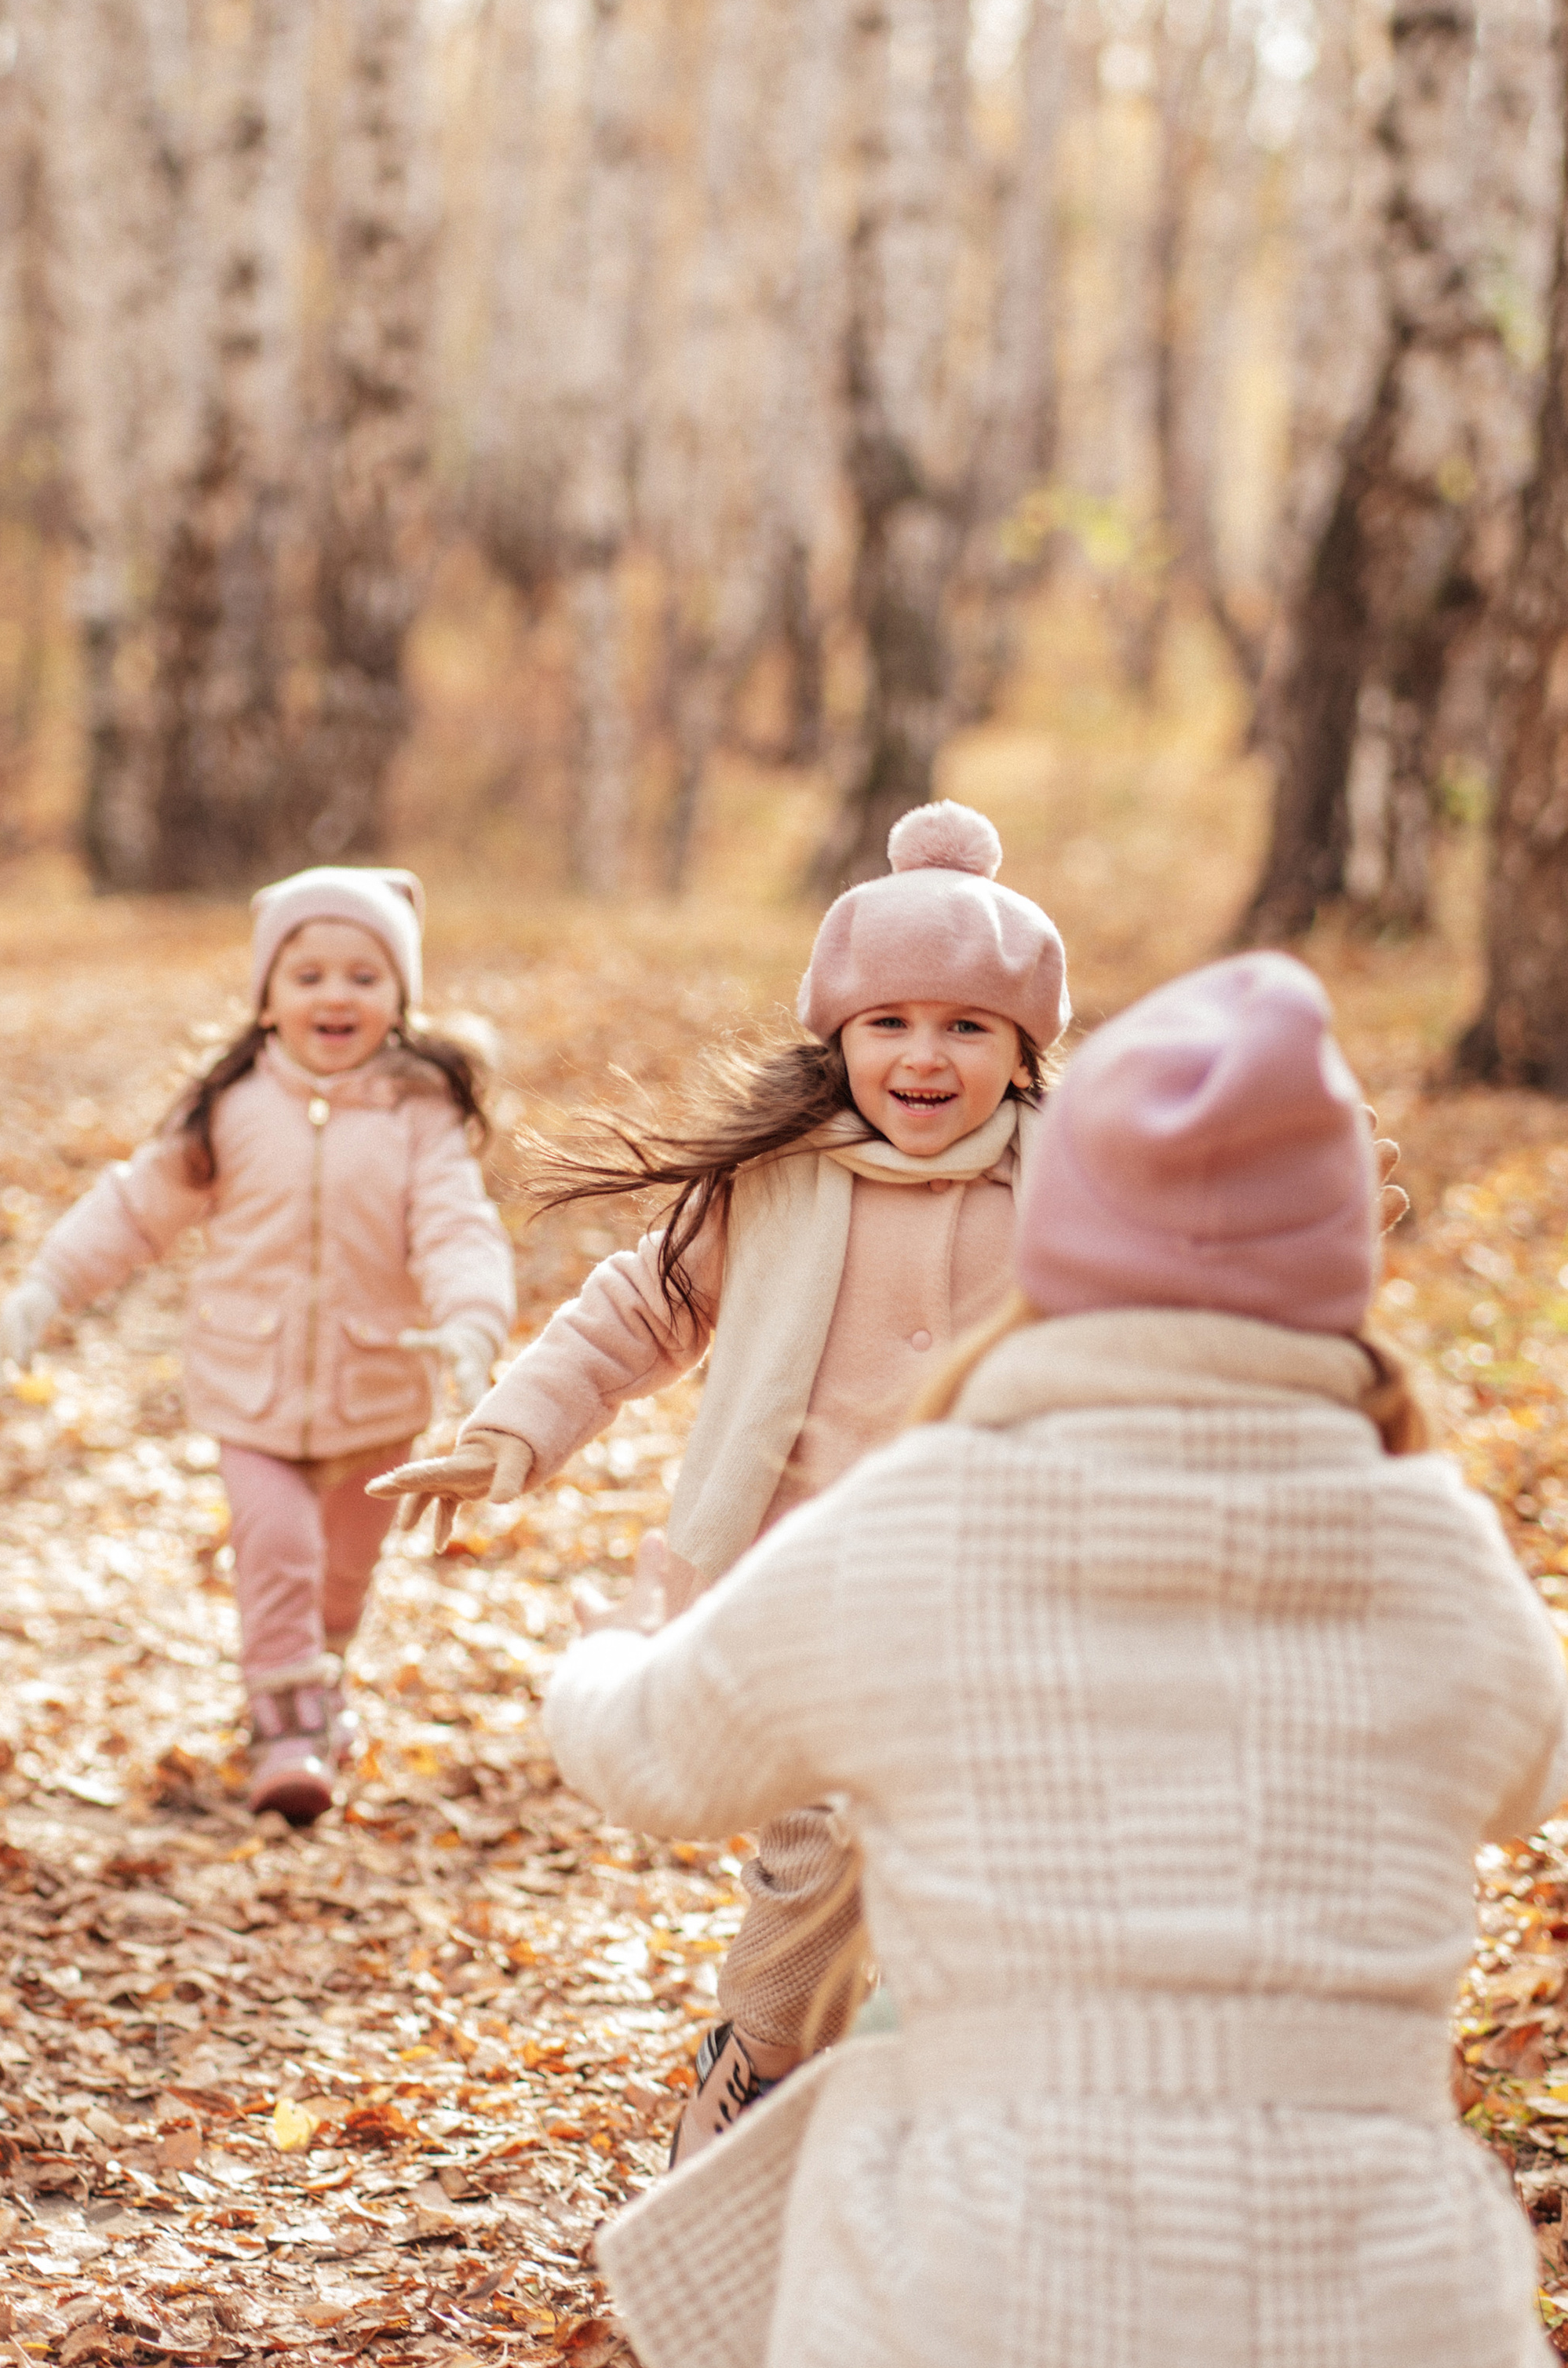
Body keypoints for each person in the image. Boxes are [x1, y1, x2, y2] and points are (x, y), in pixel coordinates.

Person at [539, 951, 1568, 2368]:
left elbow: (657, 1754)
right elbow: (1528, 1768)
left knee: (831, 2160)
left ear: (1057, 1232)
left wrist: (590, 1646)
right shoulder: (1426, 1539)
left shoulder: (933, 1514)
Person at [373, 799, 1069, 2155]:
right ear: (842, 1037)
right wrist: (512, 1430)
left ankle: (937, 2134)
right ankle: (753, 2086)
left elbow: (1215, 1275)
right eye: (892, 1024)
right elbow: (639, 1310)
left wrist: (1327, 1212)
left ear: (1023, 1048)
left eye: (968, 1028)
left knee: (983, 1887)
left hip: (1011, 1609)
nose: (925, 1057)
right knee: (814, 1878)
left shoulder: (1080, 1186)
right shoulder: (775, 1184)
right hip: (799, 1599)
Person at [0, 867, 514, 1824]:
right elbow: (135, 1208)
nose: (335, 995)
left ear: (400, 998)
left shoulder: (419, 1114)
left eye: (364, 976)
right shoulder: (227, 1107)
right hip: (251, 1388)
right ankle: (286, 1727)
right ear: (267, 998)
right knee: (275, 1547)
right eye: (308, 974)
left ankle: (323, 1682)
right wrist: (48, 1285)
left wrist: (473, 1320)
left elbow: (455, 1227)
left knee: (345, 1574)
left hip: (380, 1385)